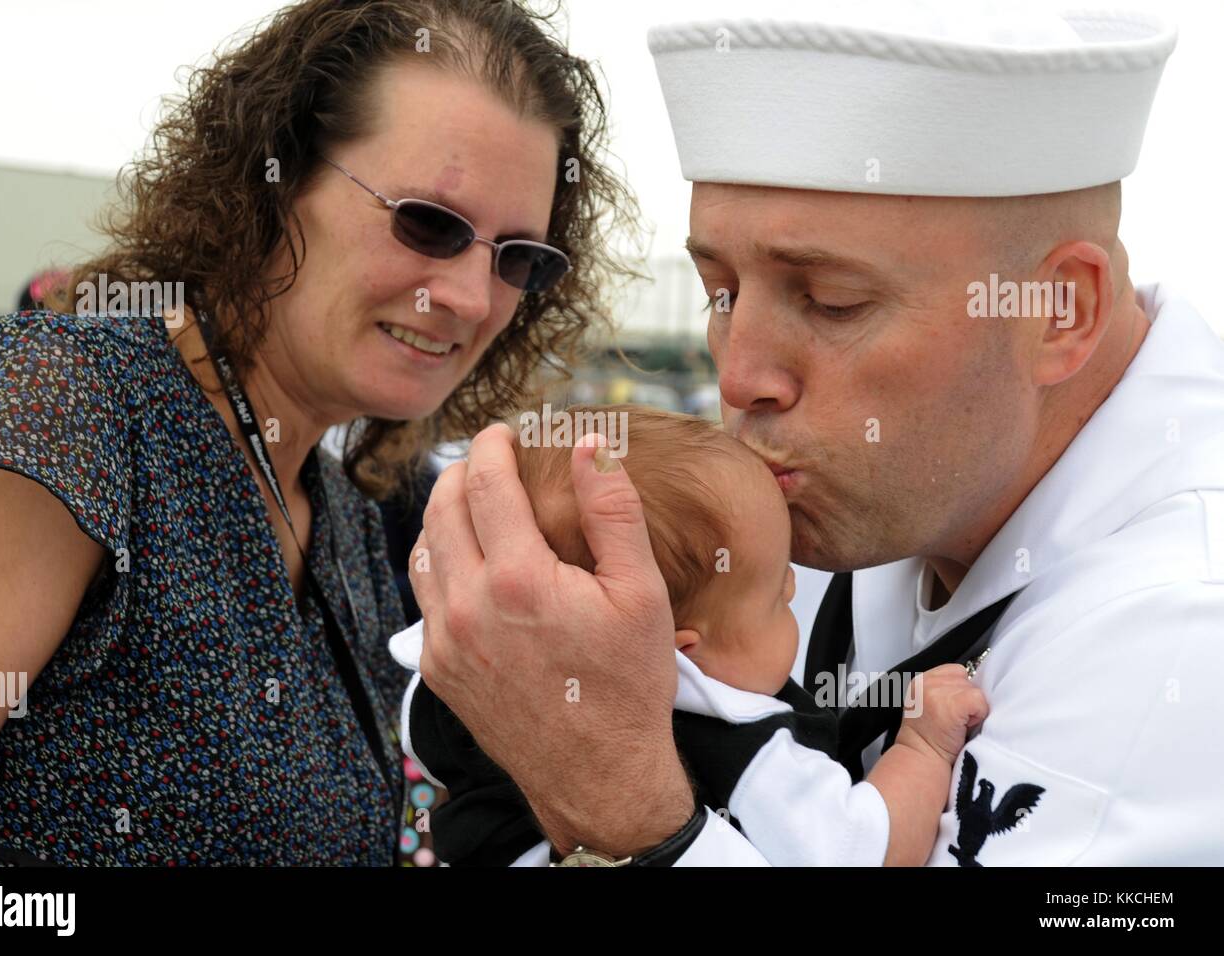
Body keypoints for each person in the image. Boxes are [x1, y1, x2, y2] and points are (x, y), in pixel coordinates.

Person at [408, 4, 1224, 865]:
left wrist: (627, 809)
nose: (737, 375)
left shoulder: (1183, 641)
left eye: (833, 302)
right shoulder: (868, 495)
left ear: (1061, 312)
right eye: (721, 292)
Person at [0, 0, 638, 866]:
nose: (470, 298)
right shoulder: (69, 407)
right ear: (273, 180)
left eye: (519, 257)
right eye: (428, 222)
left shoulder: (344, 521)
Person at [390, 405, 991, 866]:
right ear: (680, 652)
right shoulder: (742, 743)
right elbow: (864, 848)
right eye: (774, 599)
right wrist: (923, 749)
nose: (792, 594)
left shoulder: (455, 690)